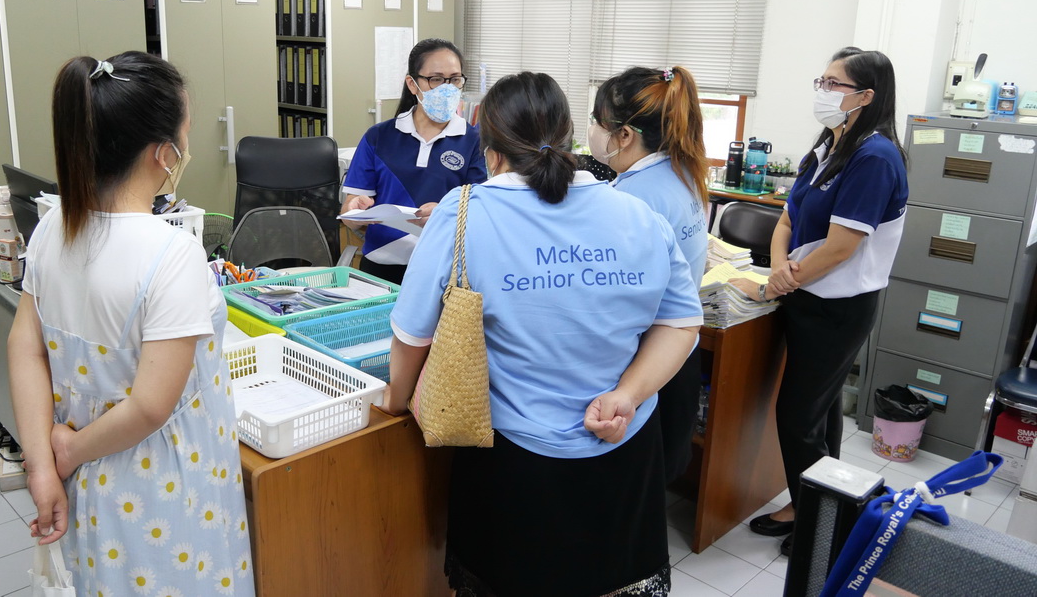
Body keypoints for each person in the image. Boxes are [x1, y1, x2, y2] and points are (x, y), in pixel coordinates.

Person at [382, 72, 703, 597]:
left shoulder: (464, 212)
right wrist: (627, 395)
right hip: (623, 450)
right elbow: (681, 322)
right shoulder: (637, 215)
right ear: (571, 136)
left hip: (513, 462)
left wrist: (396, 401)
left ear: (491, 151)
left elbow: (412, 336)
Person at [8, 51, 255, 596]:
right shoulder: (170, 253)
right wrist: (67, 452)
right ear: (164, 154)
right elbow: (149, 406)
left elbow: (25, 348)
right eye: (186, 134)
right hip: (164, 491)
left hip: (88, 484)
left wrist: (43, 466)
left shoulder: (53, 228)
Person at [736, 47, 908, 555]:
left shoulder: (875, 158)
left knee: (797, 416)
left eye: (834, 84)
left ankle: (820, 526)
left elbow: (840, 248)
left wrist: (777, 284)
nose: (823, 91)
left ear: (865, 96)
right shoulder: (829, 145)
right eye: (822, 81)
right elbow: (787, 218)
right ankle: (813, 502)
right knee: (822, 411)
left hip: (837, 308)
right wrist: (779, 269)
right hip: (804, 295)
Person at [590, 65, 710, 484]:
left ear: (624, 135)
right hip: (679, 351)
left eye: (597, 121)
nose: (592, 131)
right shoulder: (684, 171)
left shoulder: (631, 199)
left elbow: (608, 296)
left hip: (644, 362)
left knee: (633, 478)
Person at [341, 38, 486, 284]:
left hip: (443, 271)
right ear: (412, 84)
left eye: (455, 79)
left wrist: (444, 213)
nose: (447, 88)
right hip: (380, 269)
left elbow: (481, 213)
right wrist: (355, 209)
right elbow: (348, 216)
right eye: (436, 79)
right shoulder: (379, 136)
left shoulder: (474, 141)